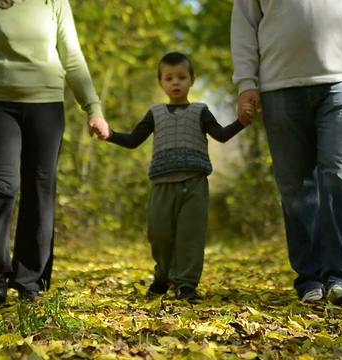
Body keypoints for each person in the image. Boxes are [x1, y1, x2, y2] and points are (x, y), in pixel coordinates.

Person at [231, 0, 342, 305]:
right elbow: (244, 26)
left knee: (341, 177)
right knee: (295, 186)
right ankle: (310, 279)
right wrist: (245, 83)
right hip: (279, 85)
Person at [0, 0, 109, 305]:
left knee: (41, 190)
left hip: (47, 107)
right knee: (0, 187)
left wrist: (93, 108)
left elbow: (73, 57)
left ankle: (29, 279)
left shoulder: (55, 2)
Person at [104, 52, 253, 301]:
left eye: (181, 77)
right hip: (162, 185)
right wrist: (109, 134)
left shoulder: (200, 111)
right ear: (160, 83)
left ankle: (186, 284)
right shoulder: (155, 113)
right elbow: (133, 141)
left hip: (195, 184)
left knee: (190, 235)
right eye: (169, 78)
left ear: (191, 80)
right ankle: (163, 277)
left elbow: (221, 135)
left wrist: (241, 121)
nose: (175, 82)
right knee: (159, 234)